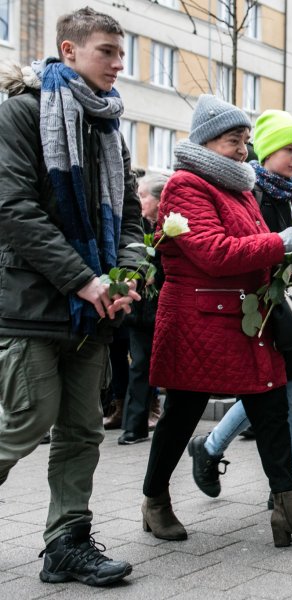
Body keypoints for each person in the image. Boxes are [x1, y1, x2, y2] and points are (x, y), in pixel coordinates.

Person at [141, 94, 292, 545]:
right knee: (182, 414)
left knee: (270, 406)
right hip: (199, 319)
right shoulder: (186, 185)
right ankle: (155, 501)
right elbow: (213, 252)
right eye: (235, 141)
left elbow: (251, 245)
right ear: (208, 142)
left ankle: (286, 508)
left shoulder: (239, 187)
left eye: (246, 141)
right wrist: (279, 243)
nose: (243, 151)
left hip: (245, 317)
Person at [0, 7, 141, 586]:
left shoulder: (108, 129)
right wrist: (84, 277)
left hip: (94, 311)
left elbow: (130, 217)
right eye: (106, 49)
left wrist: (127, 275)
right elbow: (14, 210)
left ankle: (67, 544)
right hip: (32, 303)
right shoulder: (21, 114)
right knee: (29, 419)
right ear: (69, 50)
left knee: (83, 430)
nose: (118, 61)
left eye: (119, 51)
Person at [187, 110, 292, 516]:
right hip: (262, 308)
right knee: (275, 394)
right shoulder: (252, 193)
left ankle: (221, 452)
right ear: (265, 150)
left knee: (287, 392)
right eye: (288, 148)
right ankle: (281, 485)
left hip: (291, 310)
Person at [118, 173, 169, 445]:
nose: (138, 202)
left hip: (166, 309)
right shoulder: (135, 227)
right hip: (140, 313)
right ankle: (133, 427)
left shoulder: (173, 229)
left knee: (166, 368)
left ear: (160, 200)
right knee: (139, 366)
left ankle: (167, 423)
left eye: (143, 196)